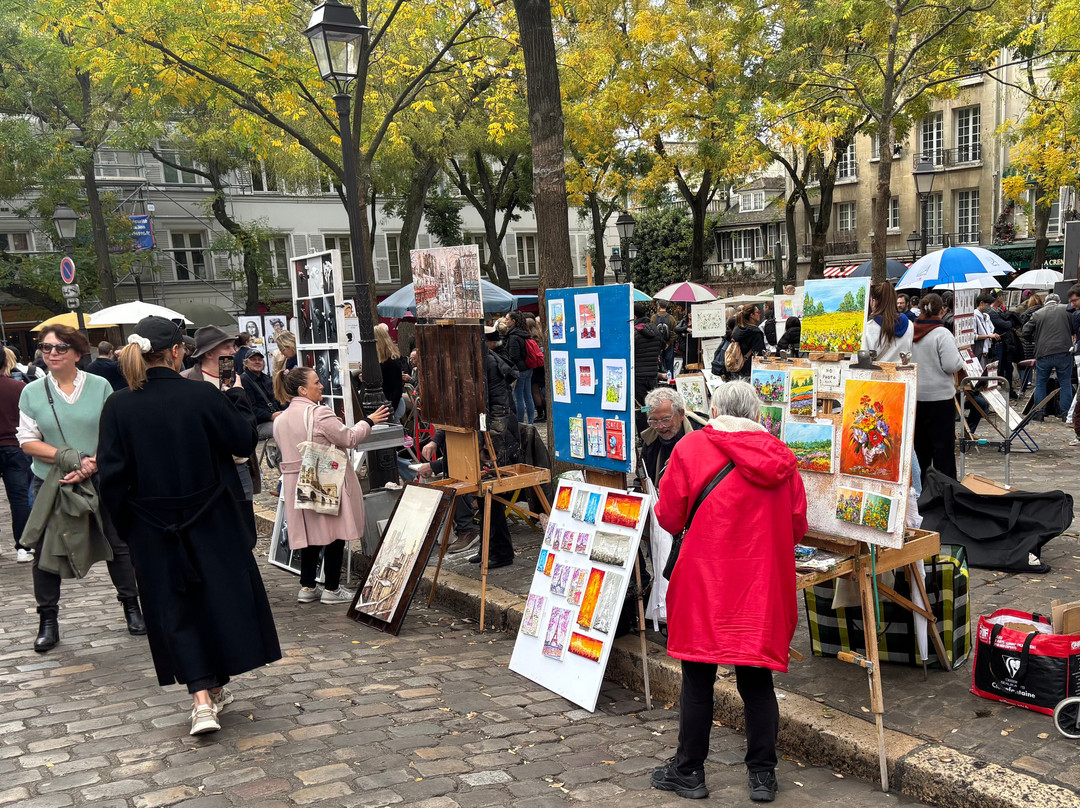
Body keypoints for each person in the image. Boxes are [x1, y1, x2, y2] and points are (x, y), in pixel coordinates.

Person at [98, 316, 281, 736]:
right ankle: (206, 695)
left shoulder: (119, 405)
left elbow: (112, 476)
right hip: (210, 519)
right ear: (177, 352)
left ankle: (203, 695)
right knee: (216, 600)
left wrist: (129, 526)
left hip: (152, 526)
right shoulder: (202, 396)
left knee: (174, 607)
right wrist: (235, 397)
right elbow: (241, 441)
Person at [652, 381, 807, 803]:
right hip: (758, 586)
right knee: (756, 681)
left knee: (698, 680)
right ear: (757, 415)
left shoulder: (690, 449)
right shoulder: (781, 458)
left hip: (705, 582)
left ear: (715, 411)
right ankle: (762, 776)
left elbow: (669, 518)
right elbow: (796, 525)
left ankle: (689, 771)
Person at [17, 325, 145, 652]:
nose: (52, 353)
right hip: (52, 482)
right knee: (46, 549)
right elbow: (28, 441)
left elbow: (114, 433)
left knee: (118, 544)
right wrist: (68, 459)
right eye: (46, 347)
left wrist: (93, 463)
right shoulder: (32, 392)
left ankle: (132, 607)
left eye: (60, 347)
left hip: (101, 477)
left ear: (77, 353)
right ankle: (48, 620)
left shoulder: (100, 386)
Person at [273, 366, 390, 604]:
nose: (321, 386)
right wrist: (369, 421)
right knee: (335, 533)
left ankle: (307, 586)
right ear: (302, 390)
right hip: (323, 478)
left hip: (296, 483)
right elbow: (349, 438)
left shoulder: (280, 419)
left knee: (311, 534)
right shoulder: (319, 413)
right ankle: (332, 589)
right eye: (316, 382)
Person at [418, 326, 520, 565]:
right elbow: (456, 409)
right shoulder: (462, 361)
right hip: (480, 435)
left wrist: (490, 446)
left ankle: (499, 553)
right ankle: (489, 550)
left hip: (495, 438)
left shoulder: (489, 363)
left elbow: (500, 408)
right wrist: (436, 439)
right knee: (484, 498)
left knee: (490, 497)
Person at [182, 326, 260, 500]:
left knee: (244, 512)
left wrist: (238, 393)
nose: (233, 351)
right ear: (209, 353)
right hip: (204, 468)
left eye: (233, 346)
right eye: (227, 347)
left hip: (238, 464)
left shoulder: (235, 379)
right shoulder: (186, 380)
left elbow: (247, 419)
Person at [911, 293, 965, 480]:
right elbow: (951, 365)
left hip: (916, 397)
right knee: (943, 450)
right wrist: (960, 360)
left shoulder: (911, 332)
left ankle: (924, 488)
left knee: (921, 449)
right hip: (940, 398)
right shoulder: (942, 334)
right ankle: (945, 488)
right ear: (941, 309)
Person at [0, 348, 32, 562]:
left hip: (12, 445)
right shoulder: (19, 388)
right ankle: (23, 546)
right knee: (19, 497)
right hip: (14, 445)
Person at [640, 387, 705, 487]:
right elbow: (642, 478)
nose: (660, 426)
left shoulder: (701, 437)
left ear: (681, 414)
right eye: (654, 421)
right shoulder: (650, 440)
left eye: (665, 420)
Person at [1024, 293, 1074, 420]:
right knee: (1065, 382)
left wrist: (1035, 340)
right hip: (1064, 351)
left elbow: (1025, 332)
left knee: (1041, 382)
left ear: (1045, 302)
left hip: (1043, 352)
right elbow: (1075, 327)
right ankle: (1065, 413)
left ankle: (1039, 412)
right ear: (1059, 301)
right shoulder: (1067, 310)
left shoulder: (1037, 314)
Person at [861, 281, 912, 362]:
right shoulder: (909, 324)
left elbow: (861, 361)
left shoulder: (867, 328)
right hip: (901, 370)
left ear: (873, 302)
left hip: (877, 370)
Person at [633, 302, 665, 433]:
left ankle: (645, 434)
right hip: (652, 375)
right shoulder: (655, 330)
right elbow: (662, 345)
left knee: (641, 408)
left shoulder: (634, 333)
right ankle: (655, 431)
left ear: (635, 317)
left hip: (638, 376)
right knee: (652, 405)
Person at [240, 349, 282, 439]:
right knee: (284, 429)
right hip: (259, 424)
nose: (257, 362)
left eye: (260, 359)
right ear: (246, 363)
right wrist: (270, 416)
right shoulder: (244, 380)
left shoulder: (266, 378)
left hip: (275, 418)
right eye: (253, 359)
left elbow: (277, 399)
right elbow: (250, 408)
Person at [504, 311, 535, 424]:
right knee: (528, 395)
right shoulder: (524, 333)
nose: (505, 321)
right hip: (528, 368)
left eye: (507, 319)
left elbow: (514, 356)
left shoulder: (513, 336)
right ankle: (530, 422)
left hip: (519, 370)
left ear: (513, 321)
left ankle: (520, 422)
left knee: (518, 397)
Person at [375, 323, 407, 421]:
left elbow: (397, 389)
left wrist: (391, 410)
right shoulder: (381, 361)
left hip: (392, 405)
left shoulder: (391, 362)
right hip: (387, 405)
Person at [729, 304, 766, 378]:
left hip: (738, 367)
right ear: (752, 315)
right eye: (758, 312)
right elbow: (759, 354)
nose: (760, 314)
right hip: (752, 370)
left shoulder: (737, 330)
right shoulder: (755, 332)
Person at [652, 303, 677, 380]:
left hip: (657, 346)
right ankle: (670, 381)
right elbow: (675, 333)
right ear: (666, 307)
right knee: (669, 365)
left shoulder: (653, 317)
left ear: (658, 307)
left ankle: (659, 381)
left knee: (658, 364)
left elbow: (651, 331)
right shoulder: (671, 318)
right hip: (668, 346)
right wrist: (668, 343)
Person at [973, 294, 997, 366]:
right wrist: (989, 336)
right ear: (981, 303)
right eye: (988, 304)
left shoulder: (986, 316)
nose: (989, 307)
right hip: (978, 350)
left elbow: (991, 329)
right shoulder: (974, 316)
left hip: (987, 350)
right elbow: (973, 336)